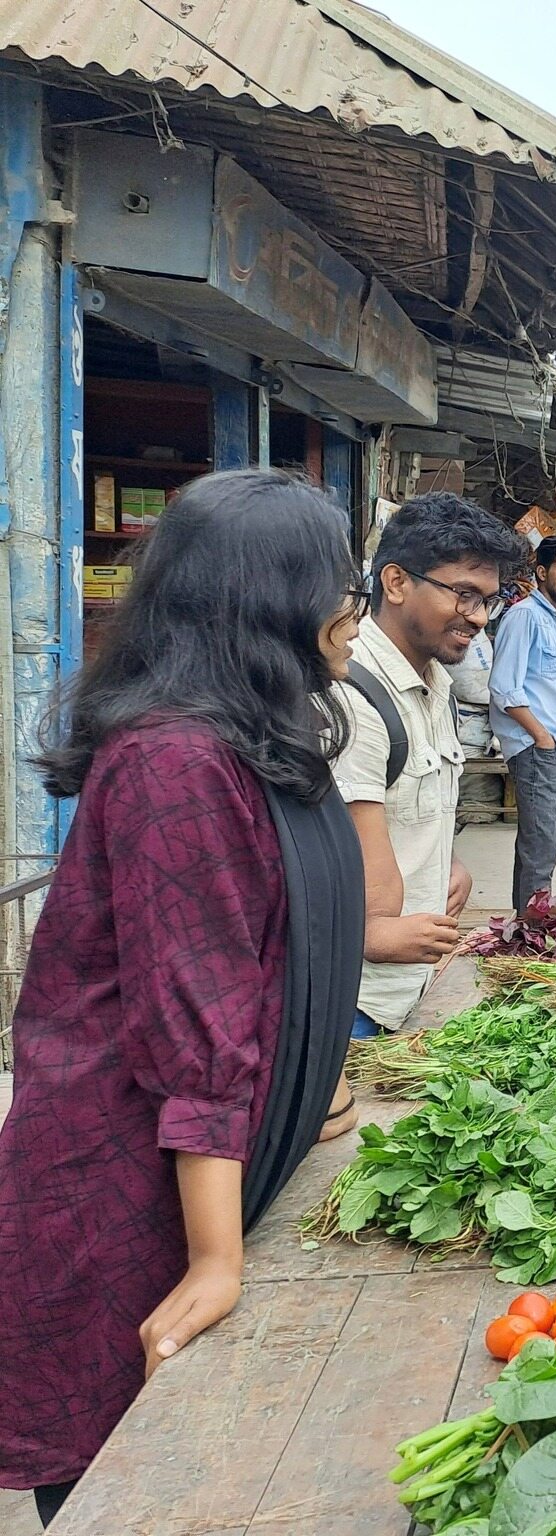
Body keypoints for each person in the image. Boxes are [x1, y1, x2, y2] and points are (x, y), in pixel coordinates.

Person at [0, 469, 367, 1526]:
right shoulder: (174, 760)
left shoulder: (256, 734)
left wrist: (321, 1093)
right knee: (128, 1473)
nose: (349, 610)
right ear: (272, 600)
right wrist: (215, 1259)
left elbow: (277, 956)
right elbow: (195, 1025)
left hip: (205, 1154)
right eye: (334, 585)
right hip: (125, 1177)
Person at [337, 493, 529, 1043]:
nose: (477, 616)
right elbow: (338, 849)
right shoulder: (351, 695)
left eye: (489, 599)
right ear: (396, 583)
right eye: (463, 594)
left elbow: (403, 811)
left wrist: (448, 861)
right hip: (353, 1000)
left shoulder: (435, 686)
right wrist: (372, 933)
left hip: (408, 989)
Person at [489, 536, 556, 912]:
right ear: (542, 571)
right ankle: (531, 931)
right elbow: (503, 688)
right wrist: (541, 737)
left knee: (544, 847)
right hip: (538, 750)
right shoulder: (524, 617)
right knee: (539, 850)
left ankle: (527, 924)